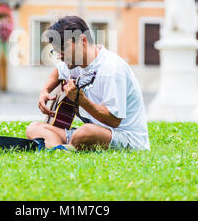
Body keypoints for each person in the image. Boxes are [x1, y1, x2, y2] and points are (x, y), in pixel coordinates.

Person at [26, 16, 150, 151]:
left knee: (84, 133)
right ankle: (60, 151)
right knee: (34, 129)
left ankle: (64, 148)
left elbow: (114, 120)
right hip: (93, 132)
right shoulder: (73, 62)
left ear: (82, 41)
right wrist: (45, 91)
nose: (59, 56)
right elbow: (58, 71)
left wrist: (81, 100)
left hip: (126, 137)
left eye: (62, 49)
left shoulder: (112, 69)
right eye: (55, 51)